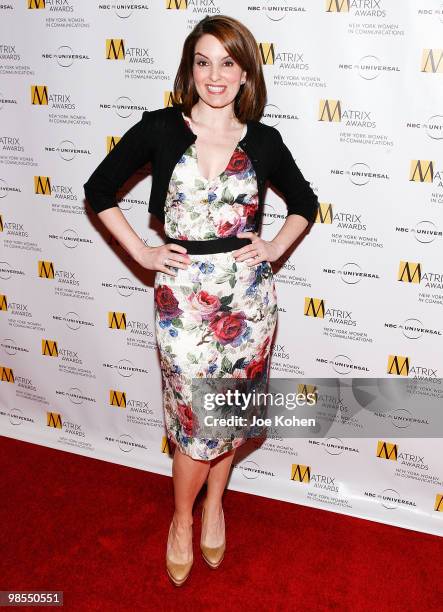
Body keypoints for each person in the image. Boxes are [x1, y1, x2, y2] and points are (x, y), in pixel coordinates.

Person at [83, 15, 319, 587]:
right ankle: (182, 519)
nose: (215, 75)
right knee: (195, 424)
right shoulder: (160, 128)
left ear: (245, 74)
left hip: (248, 302)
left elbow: (305, 203)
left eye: (228, 63)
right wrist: (141, 251)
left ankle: (215, 506)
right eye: (203, 61)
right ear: (191, 68)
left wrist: (272, 248)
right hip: (182, 303)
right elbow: (98, 190)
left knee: (229, 419)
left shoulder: (264, 140)